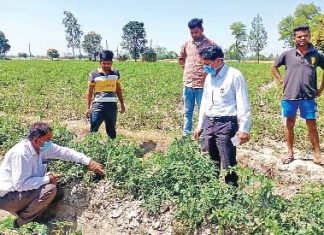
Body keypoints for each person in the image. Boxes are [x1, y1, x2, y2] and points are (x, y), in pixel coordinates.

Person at [0, 122, 105, 227]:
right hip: (8, 197)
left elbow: (64, 152)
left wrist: (88, 161)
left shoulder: (42, 147)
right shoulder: (21, 154)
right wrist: (47, 179)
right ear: (36, 140)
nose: (50, 143)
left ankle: (34, 215)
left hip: (21, 192)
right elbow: (21, 184)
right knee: (50, 189)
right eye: (48, 140)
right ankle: (20, 223)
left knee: (57, 192)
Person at [193, 45, 251, 186]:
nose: (205, 67)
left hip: (226, 125)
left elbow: (243, 103)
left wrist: (244, 129)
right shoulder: (209, 78)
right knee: (210, 160)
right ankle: (212, 191)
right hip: (209, 123)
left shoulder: (234, 75)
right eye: (203, 64)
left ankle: (232, 196)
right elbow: (205, 102)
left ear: (218, 61)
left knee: (228, 162)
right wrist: (200, 125)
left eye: (207, 64)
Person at [271, 25, 324, 165]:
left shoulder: (316, 55)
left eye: (305, 35)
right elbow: (274, 66)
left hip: (308, 96)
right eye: (299, 36)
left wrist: (321, 89)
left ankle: (317, 155)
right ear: (294, 38)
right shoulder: (287, 54)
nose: (302, 38)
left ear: (309, 36)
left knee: (311, 125)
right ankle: (290, 153)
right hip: (290, 96)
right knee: (289, 124)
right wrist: (281, 80)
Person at [179, 18, 215, 136]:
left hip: (203, 85)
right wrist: (187, 71)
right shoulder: (186, 44)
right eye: (192, 33)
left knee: (203, 112)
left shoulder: (210, 44)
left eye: (196, 32)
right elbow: (181, 59)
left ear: (202, 30)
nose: (194, 35)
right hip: (188, 84)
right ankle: (186, 137)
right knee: (187, 112)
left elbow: (217, 62)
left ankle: (204, 138)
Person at [85, 50, 125, 139]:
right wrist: (87, 108)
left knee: (111, 131)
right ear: (100, 62)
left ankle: (112, 149)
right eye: (104, 63)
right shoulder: (94, 74)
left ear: (112, 63)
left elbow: (118, 89)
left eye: (108, 63)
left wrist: (122, 104)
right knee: (94, 129)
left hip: (112, 106)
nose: (106, 65)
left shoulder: (116, 73)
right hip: (98, 106)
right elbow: (89, 92)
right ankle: (92, 148)